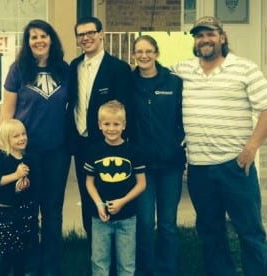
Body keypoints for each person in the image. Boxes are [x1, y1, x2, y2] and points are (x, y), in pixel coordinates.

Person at [172, 16, 267, 276]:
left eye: (210, 34)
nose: (205, 40)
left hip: (235, 167)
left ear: (222, 37)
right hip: (199, 169)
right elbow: (150, 74)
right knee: (210, 232)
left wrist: (251, 147)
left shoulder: (245, 69)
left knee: (250, 231)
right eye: (199, 36)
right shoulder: (183, 70)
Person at [0, 19, 70, 276]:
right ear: (27, 42)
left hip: (57, 151)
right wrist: (5, 150)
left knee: (52, 211)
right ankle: (30, 267)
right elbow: (7, 110)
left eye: (43, 35)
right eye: (33, 37)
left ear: (51, 39)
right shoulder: (18, 69)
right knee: (27, 210)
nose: (38, 40)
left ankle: (52, 268)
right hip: (25, 152)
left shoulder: (64, 70)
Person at [66, 16, 134, 239]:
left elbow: (126, 109)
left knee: (112, 193)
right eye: (81, 35)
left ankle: (119, 248)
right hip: (81, 143)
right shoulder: (74, 67)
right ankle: (95, 247)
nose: (86, 38)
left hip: (109, 145)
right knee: (89, 196)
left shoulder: (118, 69)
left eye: (91, 33)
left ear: (101, 34)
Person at [131, 35, 185, 276]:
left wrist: (178, 143)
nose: (144, 55)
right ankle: (146, 270)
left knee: (167, 224)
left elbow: (186, 116)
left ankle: (167, 270)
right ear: (134, 55)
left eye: (148, 51)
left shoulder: (173, 83)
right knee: (143, 223)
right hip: (141, 166)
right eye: (139, 51)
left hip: (170, 164)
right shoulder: (128, 84)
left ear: (157, 53)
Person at [84, 100, 146, 276]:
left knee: (126, 263)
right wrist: (98, 204)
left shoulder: (133, 151)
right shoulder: (94, 151)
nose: (112, 128)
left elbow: (142, 183)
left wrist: (122, 202)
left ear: (124, 125)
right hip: (100, 218)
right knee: (99, 261)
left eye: (116, 124)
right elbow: (89, 182)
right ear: (99, 125)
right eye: (107, 124)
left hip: (127, 217)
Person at [0, 119, 38, 276]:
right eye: (16, 136)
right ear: (6, 139)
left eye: (23, 134)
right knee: (8, 253)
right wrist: (15, 175)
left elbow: (33, 183)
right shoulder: (1, 157)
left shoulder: (27, 157)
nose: (22, 138)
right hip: (6, 212)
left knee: (22, 250)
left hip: (24, 210)